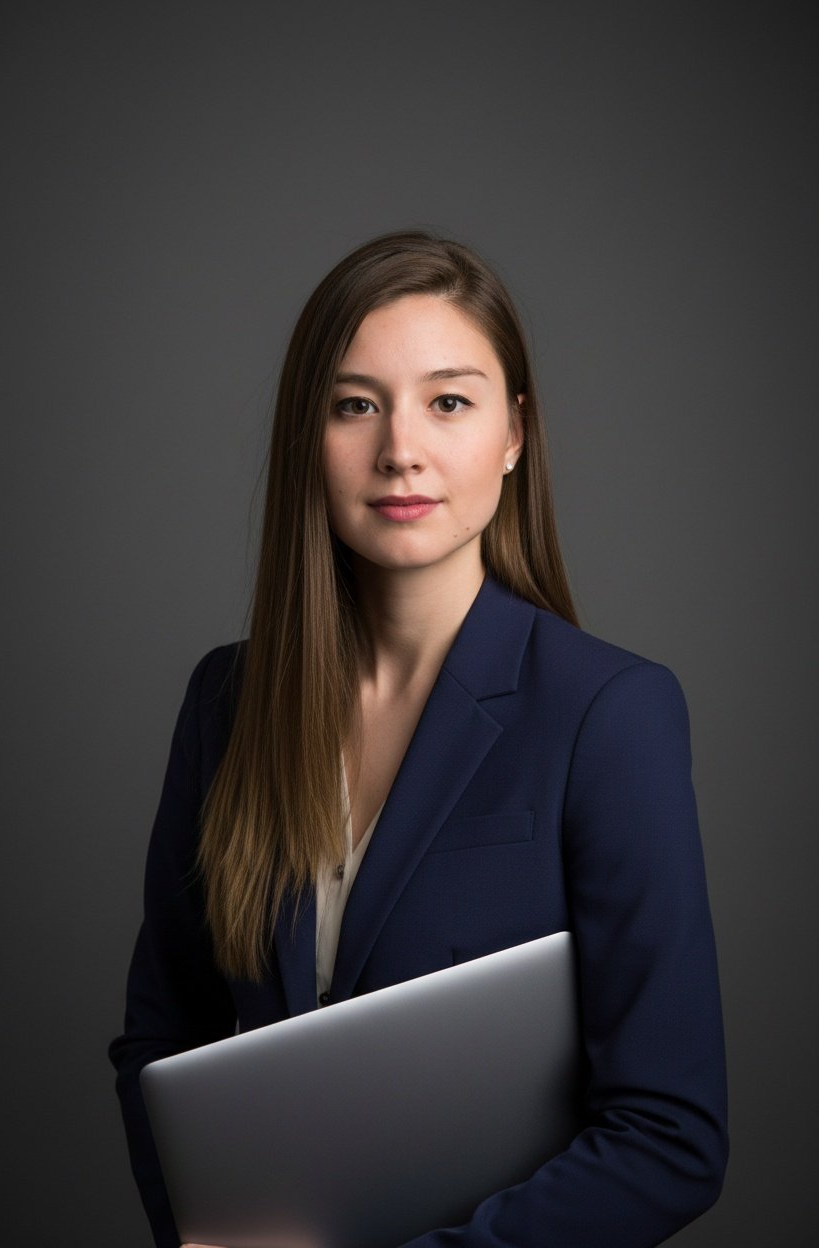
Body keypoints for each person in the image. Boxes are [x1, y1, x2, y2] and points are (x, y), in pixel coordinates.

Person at [109, 229, 728, 1248]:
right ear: (308, 434)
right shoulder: (226, 700)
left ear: (515, 432)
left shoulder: (609, 713)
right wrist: (204, 1229)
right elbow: (159, 1039)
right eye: (356, 405)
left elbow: (671, 1136)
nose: (401, 448)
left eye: (449, 401)